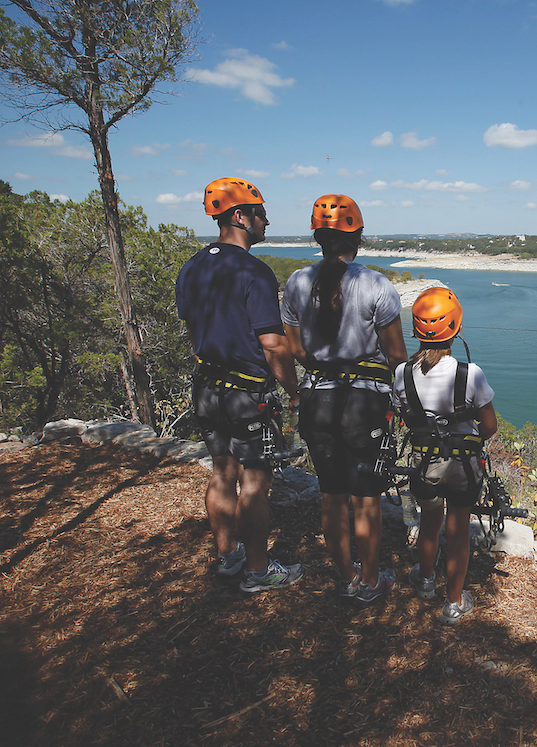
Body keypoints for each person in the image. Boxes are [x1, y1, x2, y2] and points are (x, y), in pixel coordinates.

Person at [175, 177, 303, 593]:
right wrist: (295, 391)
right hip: (247, 395)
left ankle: (228, 555)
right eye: (260, 212)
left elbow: (194, 333)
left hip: (207, 387)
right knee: (254, 482)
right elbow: (272, 344)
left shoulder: (192, 267)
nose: (267, 219)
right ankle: (258, 570)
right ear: (239, 216)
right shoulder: (253, 271)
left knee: (220, 473)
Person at [281, 194, 407, 603]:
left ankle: (347, 575)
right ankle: (370, 581)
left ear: (318, 237)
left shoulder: (297, 281)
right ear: (358, 237)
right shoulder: (375, 285)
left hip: (317, 398)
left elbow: (295, 349)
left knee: (331, 495)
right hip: (364, 403)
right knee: (366, 498)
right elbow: (397, 356)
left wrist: (322, 364)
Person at [393, 287, 497, 626]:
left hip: (424, 464)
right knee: (457, 531)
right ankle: (453, 602)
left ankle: (424, 581)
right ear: (456, 327)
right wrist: (468, 437)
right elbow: (490, 426)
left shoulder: (402, 373)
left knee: (428, 523)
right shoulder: (470, 374)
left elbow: (405, 417)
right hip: (462, 466)